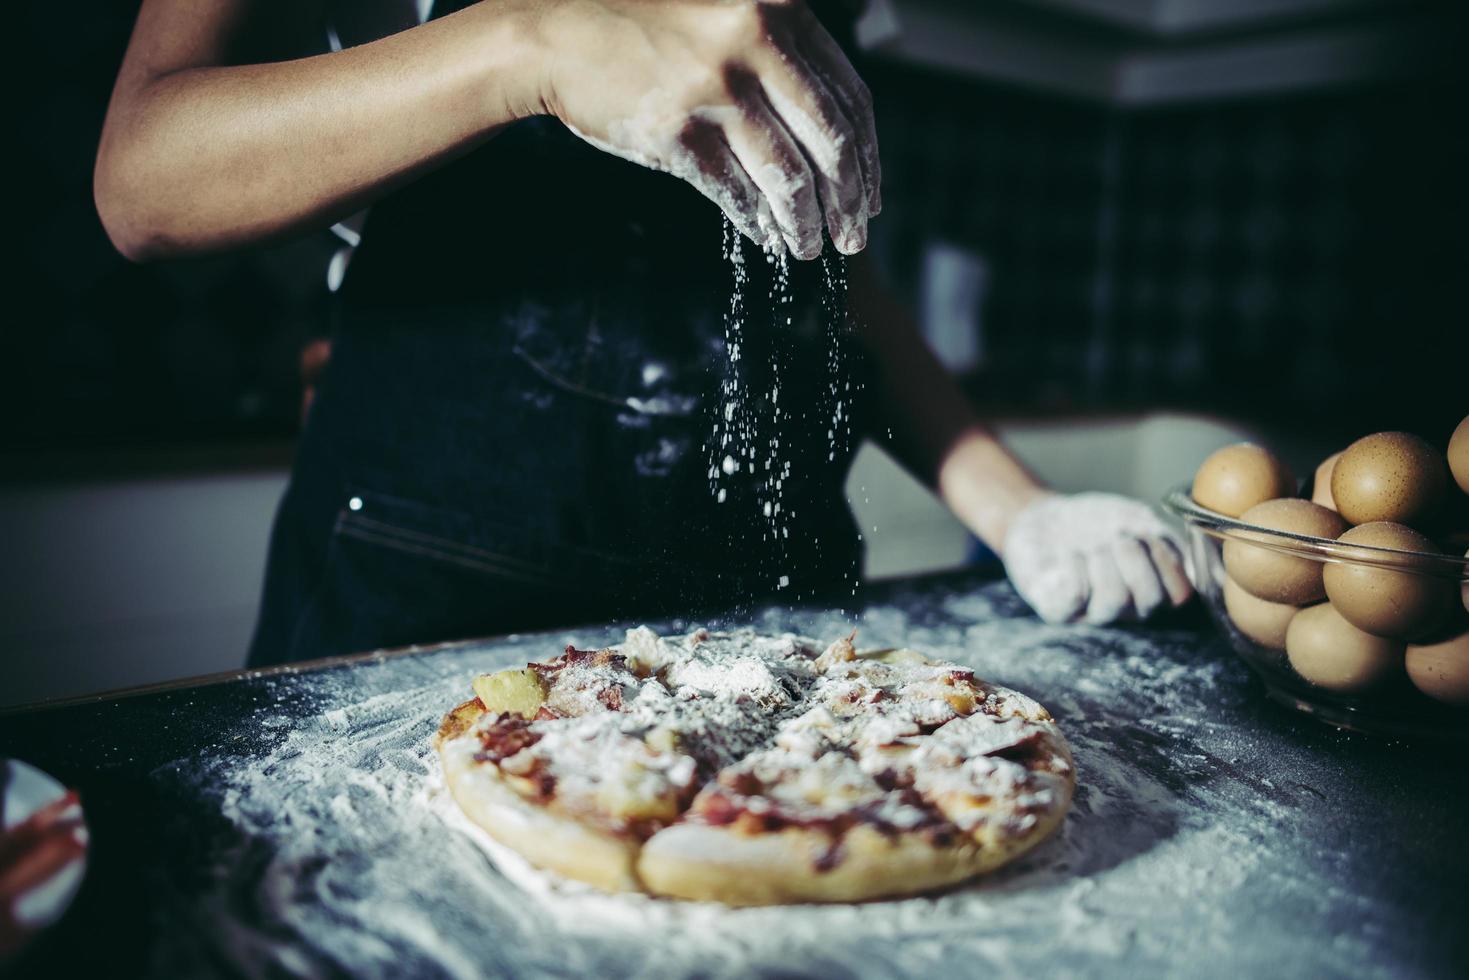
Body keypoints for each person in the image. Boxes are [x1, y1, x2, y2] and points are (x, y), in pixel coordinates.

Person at [94, 0, 1192, 666]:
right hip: (445, 582)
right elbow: (145, 176)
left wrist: (1015, 505)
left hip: (774, 597)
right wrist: (526, 45)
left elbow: (826, 272)